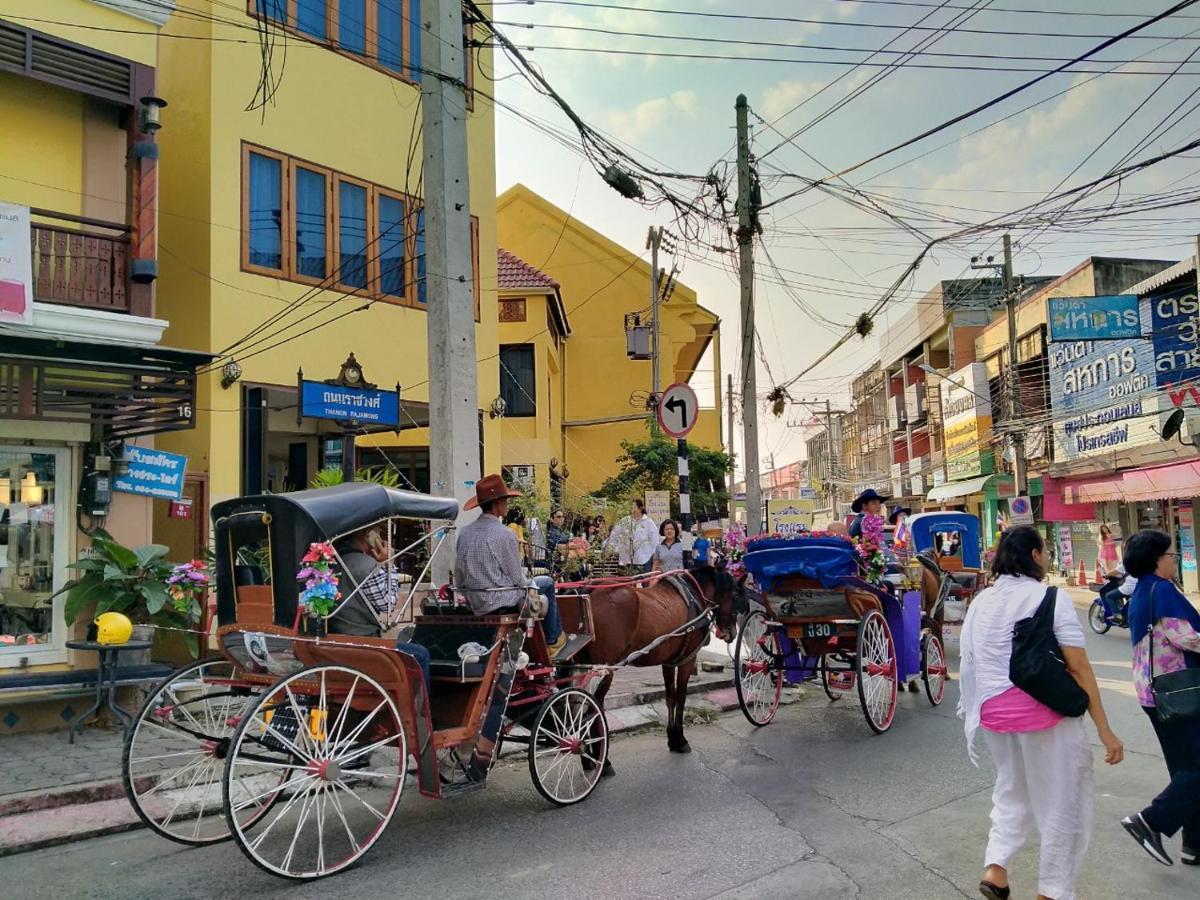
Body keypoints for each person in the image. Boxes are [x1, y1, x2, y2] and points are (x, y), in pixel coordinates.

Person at [959, 525, 1123, 900]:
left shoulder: (981, 600)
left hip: (993, 715)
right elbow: (1078, 665)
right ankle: (1052, 890)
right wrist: (1104, 728)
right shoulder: (1050, 597)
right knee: (1062, 801)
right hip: (1044, 714)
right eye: (1045, 551)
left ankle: (996, 868)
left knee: (1011, 790)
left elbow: (972, 662)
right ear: (1034, 556)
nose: (1048, 557)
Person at [1118, 529, 1200, 867]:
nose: (1174, 559)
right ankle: (1150, 821)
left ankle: (1193, 844)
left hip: (1156, 693)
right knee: (1195, 768)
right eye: (1170, 554)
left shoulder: (1142, 590)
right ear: (1156, 560)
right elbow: (1186, 637)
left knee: (1186, 769)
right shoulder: (1162, 590)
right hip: (1179, 692)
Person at [455, 474, 565, 654]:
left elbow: (459, 576)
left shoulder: (464, 533)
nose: (508, 505)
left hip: (474, 601)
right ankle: (552, 640)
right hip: (499, 600)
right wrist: (530, 584)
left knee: (535, 585)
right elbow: (517, 578)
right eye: (505, 501)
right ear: (497, 504)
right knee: (546, 583)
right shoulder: (504, 534)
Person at [329, 526, 431, 690]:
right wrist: (388, 564)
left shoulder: (331, 563)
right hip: (362, 640)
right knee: (421, 654)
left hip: (336, 638)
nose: (381, 538)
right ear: (368, 535)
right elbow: (388, 604)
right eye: (378, 533)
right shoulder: (367, 566)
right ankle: (420, 713)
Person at [605, 498, 658, 572]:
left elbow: (654, 540)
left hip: (644, 559)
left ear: (640, 508)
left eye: (634, 507)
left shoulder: (648, 522)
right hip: (626, 559)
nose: (632, 510)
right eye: (630, 508)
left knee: (644, 581)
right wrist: (611, 548)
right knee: (627, 582)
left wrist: (654, 555)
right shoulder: (624, 521)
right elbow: (614, 534)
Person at [545, 508, 572, 572]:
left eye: (563, 517)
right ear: (552, 519)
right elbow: (557, 545)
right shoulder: (550, 531)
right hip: (554, 561)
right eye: (559, 517)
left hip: (563, 559)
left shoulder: (563, 531)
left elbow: (567, 540)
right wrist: (572, 545)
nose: (561, 519)